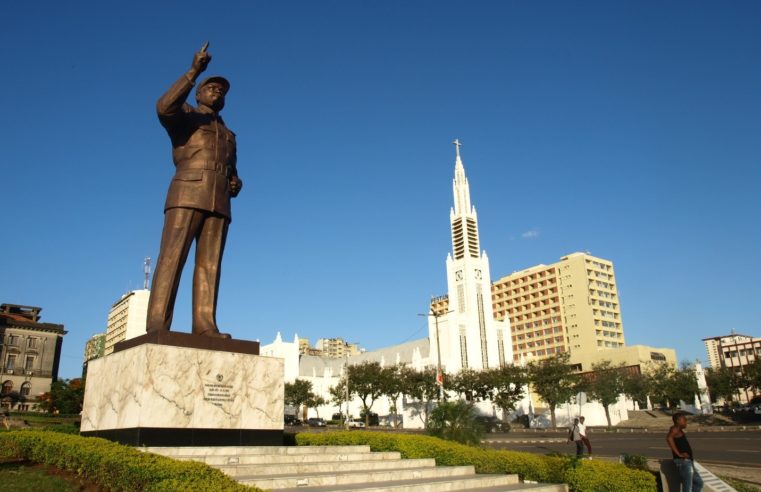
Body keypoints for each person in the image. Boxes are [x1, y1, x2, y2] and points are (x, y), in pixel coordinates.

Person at [146, 46, 242, 338]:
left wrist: (236, 182)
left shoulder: (228, 134)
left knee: (210, 265)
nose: (217, 93)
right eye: (210, 88)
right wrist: (194, 71)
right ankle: (158, 324)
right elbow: (163, 106)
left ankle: (205, 324)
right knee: (173, 257)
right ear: (198, 94)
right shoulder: (186, 116)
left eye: (221, 91)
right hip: (187, 192)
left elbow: (232, 169)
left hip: (219, 200)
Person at [666, 412, 703, 492]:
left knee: (698, 483)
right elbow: (669, 438)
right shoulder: (675, 429)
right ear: (678, 421)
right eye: (684, 420)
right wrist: (679, 454)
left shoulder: (678, 429)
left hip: (688, 461)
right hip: (684, 462)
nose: (686, 422)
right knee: (688, 488)